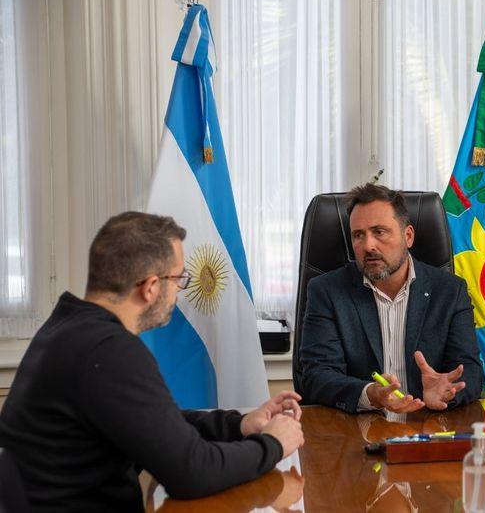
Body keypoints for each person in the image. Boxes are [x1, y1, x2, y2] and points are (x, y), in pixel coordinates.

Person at [0, 212, 305, 512]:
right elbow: (192, 472)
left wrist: (239, 424)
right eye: (179, 279)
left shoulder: (67, 327)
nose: (179, 291)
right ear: (150, 287)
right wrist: (273, 444)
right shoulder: (108, 350)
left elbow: (158, 424)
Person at [299, 183, 483, 413]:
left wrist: (448, 391)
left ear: (408, 236)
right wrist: (369, 394)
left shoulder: (449, 291)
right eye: (358, 235)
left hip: (427, 428)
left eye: (379, 232)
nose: (368, 246)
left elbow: (471, 372)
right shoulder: (327, 291)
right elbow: (317, 376)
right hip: (357, 432)